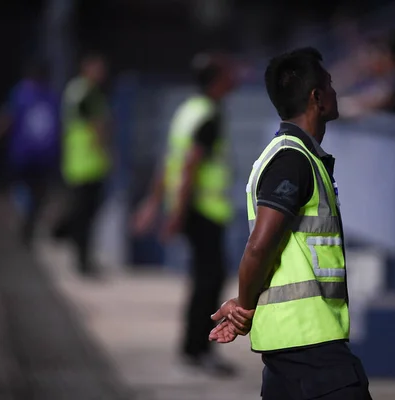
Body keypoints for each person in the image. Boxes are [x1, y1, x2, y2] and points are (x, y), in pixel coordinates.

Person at [209, 47, 373, 399]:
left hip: (290, 353)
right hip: (311, 346)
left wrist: (243, 304)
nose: (334, 91)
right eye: (329, 84)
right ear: (317, 98)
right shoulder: (291, 160)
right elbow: (260, 246)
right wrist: (242, 304)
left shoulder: (298, 156)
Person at [133, 53, 238, 375]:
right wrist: (176, 213)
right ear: (216, 81)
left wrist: (154, 204)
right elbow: (190, 164)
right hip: (202, 209)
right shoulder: (209, 116)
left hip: (191, 208)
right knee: (210, 280)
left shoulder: (188, 111)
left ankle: (192, 348)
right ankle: (199, 349)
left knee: (203, 279)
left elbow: (169, 160)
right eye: (226, 74)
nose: (232, 78)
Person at [0, 59, 60, 247]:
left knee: (38, 195)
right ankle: (26, 217)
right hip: (25, 155)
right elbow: (5, 119)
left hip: (41, 156)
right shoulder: (22, 94)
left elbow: (59, 127)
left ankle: (28, 222)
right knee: (25, 191)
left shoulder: (49, 96)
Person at [52, 53, 111, 277]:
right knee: (84, 216)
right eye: (98, 67)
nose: (102, 72)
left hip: (82, 163)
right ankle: (81, 259)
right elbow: (97, 126)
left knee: (83, 214)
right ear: (87, 67)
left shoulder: (80, 91)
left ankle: (79, 253)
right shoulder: (86, 92)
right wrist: (105, 149)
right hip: (86, 164)